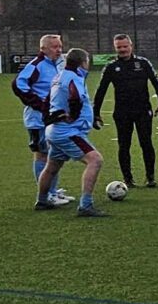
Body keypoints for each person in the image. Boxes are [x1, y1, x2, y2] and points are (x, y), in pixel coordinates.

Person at [91, 33, 158, 190]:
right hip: (122, 112)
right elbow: (101, 90)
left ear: (131, 46)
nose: (122, 50)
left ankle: (150, 177)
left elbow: (157, 83)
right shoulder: (111, 67)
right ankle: (128, 179)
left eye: (125, 46)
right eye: (119, 47)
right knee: (124, 145)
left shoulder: (143, 63)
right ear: (115, 48)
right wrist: (96, 112)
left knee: (146, 143)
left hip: (143, 110)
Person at [39, 47, 110, 218]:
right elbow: (75, 97)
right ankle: (85, 205)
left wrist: (50, 118)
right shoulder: (74, 78)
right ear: (83, 63)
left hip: (56, 131)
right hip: (68, 132)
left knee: (52, 167)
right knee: (95, 160)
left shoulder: (58, 76)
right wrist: (74, 115)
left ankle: (41, 200)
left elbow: (47, 100)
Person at [13, 33, 72, 206]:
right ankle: (46, 194)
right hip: (38, 120)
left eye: (60, 46)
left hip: (53, 118)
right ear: (43, 49)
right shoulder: (36, 65)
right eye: (54, 47)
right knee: (42, 155)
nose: (59, 50)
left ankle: (52, 190)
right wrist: (39, 104)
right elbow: (18, 85)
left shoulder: (57, 64)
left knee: (54, 155)